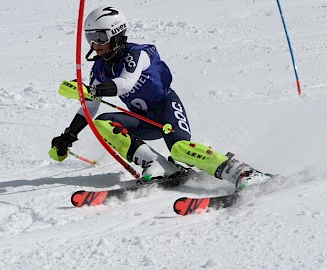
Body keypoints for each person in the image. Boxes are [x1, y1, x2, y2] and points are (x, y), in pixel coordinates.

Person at [50, 6, 271, 189]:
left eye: (100, 37)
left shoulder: (138, 54)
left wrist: (93, 90)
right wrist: (68, 136)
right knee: (102, 123)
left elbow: (125, 82)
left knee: (180, 149)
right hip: (142, 119)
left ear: (116, 35)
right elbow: (90, 107)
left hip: (166, 107)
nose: (94, 45)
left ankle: (242, 172)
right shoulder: (99, 68)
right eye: (91, 38)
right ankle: (158, 165)